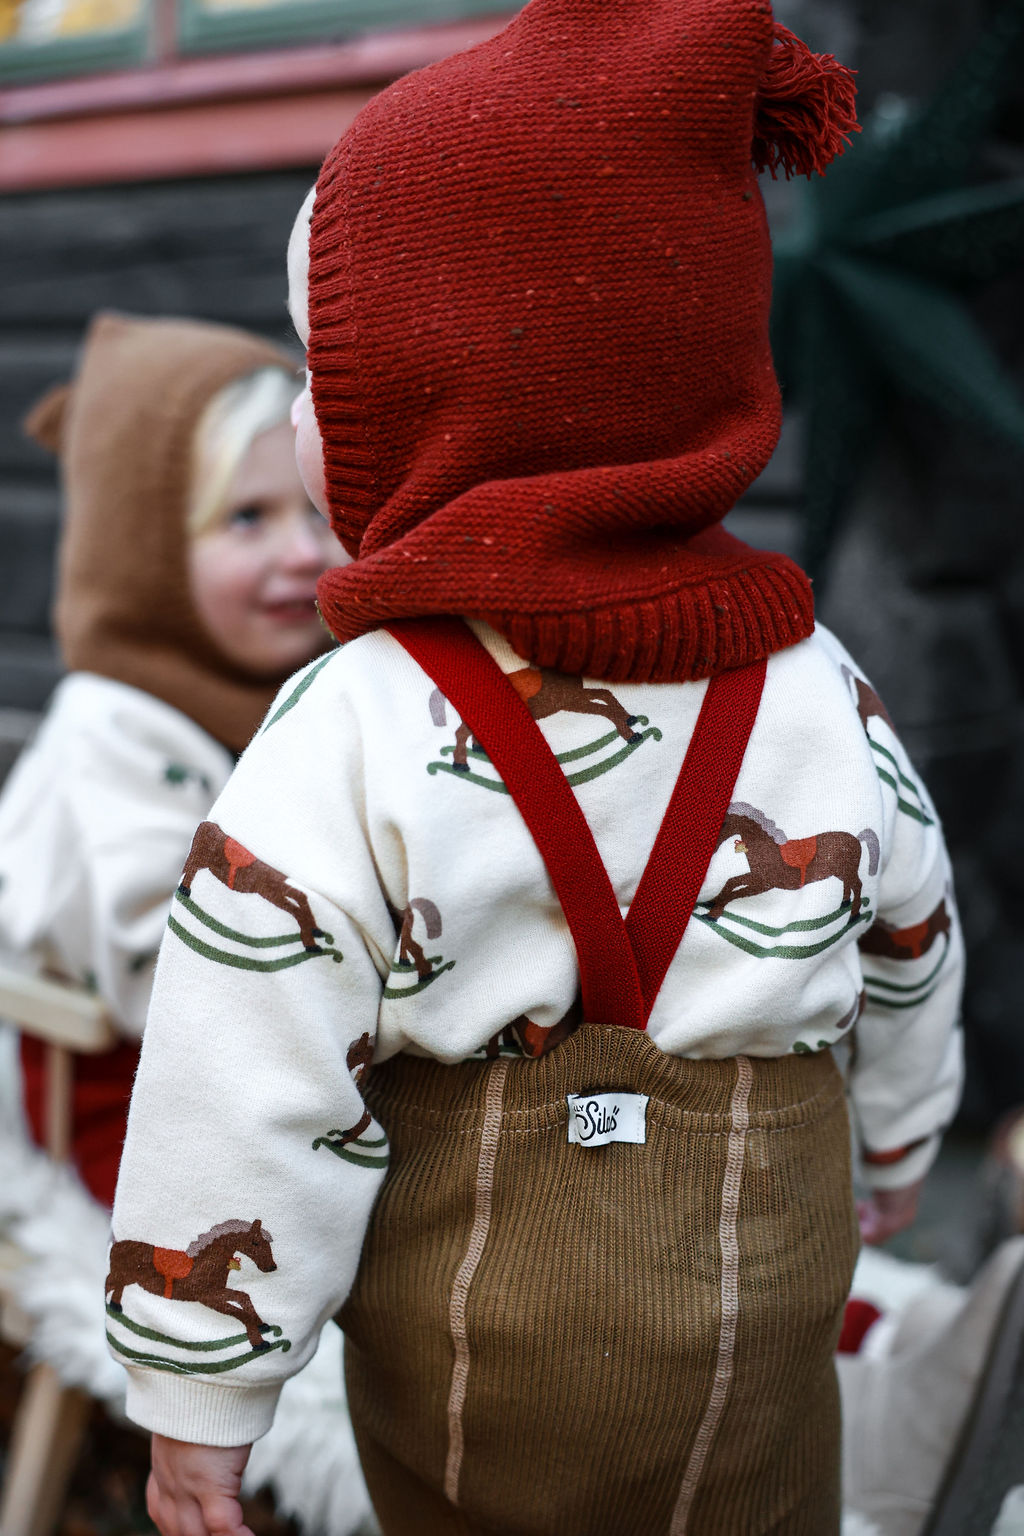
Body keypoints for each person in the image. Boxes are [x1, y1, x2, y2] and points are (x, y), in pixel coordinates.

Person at [110, 5, 964, 1534]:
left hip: (478, 1361)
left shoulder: (348, 726)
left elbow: (237, 1074)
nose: (308, 413)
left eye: (328, 374)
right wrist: (896, 1142)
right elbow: (909, 940)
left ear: (458, 396)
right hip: (759, 1308)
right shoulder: (821, 687)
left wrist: (201, 1405)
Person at [0, 311, 343, 1208]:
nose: (302, 553)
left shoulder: (313, 695)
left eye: (315, 509)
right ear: (143, 552)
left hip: (286, 1070)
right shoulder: (113, 732)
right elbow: (160, 953)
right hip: (132, 1101)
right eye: (246, 519)